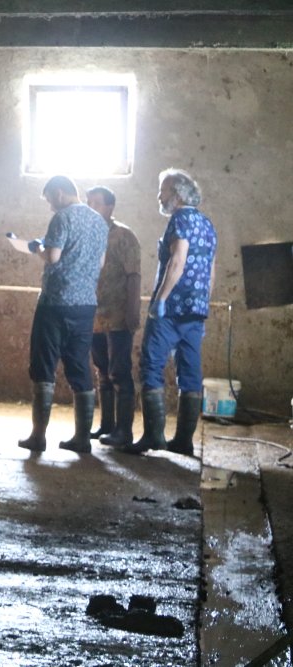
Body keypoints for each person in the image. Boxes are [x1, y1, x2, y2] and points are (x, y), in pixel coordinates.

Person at [120, 168, 217, 456]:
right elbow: (211, 270)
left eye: (162, 190)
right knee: (190, 372)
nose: (159, 196)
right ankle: (184, 440)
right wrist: (204, 305)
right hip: (195, 309)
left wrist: (160, 299)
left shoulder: (180, 219)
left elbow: (178, 260)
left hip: (172, 308)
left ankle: (154, 436)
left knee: (151, 365)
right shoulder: (207, 224)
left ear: (177, 194)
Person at [19, 175, 108, 454]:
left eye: (49, 199)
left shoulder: (62, 217)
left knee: (44, 366)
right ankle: (82, 438)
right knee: (80, 365)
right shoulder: (99, 221)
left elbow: (53, 257)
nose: (50, 205)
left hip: (55, 303)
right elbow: (101, 262)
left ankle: (38, 437)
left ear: (59, 193)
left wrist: (37, 248)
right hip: (85, 305)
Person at [85, 186, 142, 447]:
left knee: (119, 371)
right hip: (95, 315)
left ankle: (124, 431)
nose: (91, 208)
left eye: (96, 203)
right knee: (102, 371)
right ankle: (106, 425)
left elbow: (134, 275)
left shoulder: (123, 236)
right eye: (88, 203)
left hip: (118, 315)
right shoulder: (88, 235)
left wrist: (133, 310)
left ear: (110, 207)